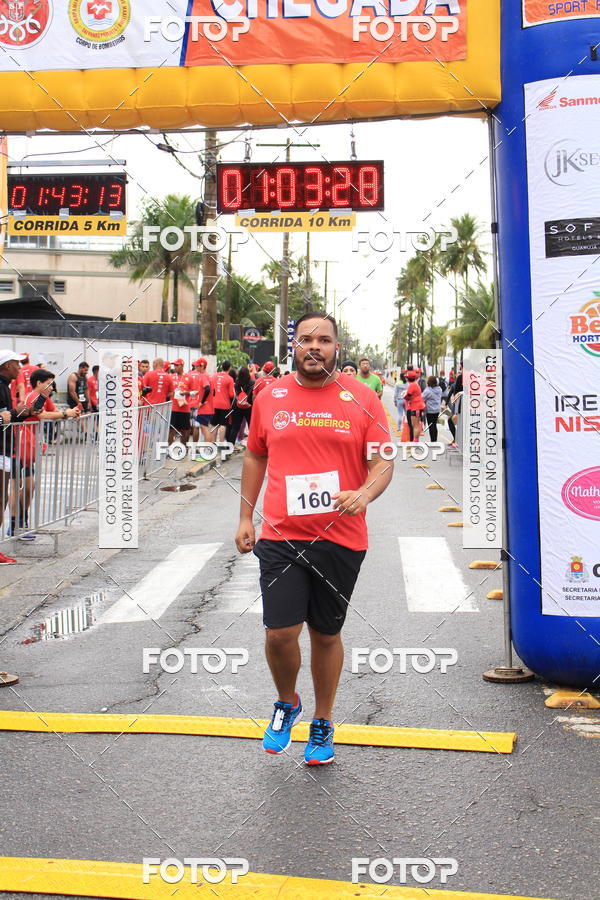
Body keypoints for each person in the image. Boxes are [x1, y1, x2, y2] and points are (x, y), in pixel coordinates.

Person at [235, 311, 393, 766]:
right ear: (294, 346)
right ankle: (287, 701)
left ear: (336, 348)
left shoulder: (362, 398)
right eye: (306, 339)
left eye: (324, 339)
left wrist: (364, 493)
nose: (314, 347)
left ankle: (323, 721)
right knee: (280, 633)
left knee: (326, 634)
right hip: (281, 535)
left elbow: (383, 463)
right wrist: (245, 517)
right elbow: (254, 456)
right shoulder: (271, 395)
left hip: (341, 538)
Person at [15, 369, 80, 540]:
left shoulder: (45, 398)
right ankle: (16, 525)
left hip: (31, 447)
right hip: (21, 446)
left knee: (30, 487)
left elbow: (54, 412)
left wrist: (73, 413)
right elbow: (41, 414)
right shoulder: (32, 397)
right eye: (49, 384)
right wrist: (66, 413)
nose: (52, 388)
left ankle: (23, 522)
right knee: (22, 487)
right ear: (38, 383)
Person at [0, 350, 37, 564]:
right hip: (1, 450)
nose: (20, 368)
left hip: (5, 449)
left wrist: (20, 413)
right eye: (16, 364)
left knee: (2, 499)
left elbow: (7, 416)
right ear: (6, 365)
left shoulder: (5, 387)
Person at [169, 359, 192, 445]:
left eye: (177, 365)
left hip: (184, 408)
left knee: (186, 430)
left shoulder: (188, 377)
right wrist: (172, 393)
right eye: (174, 365)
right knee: (171, 430)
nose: (175, 367)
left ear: (182, 366)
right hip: (173, 408)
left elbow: (195, 392)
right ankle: (169, 449)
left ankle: (184, 448)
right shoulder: (171, 377)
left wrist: (187, 393)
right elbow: (167, 392)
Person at [189, 358, 213, 443]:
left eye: (197, 366)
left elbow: (207, 389)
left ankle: (207, 451)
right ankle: (207, 450)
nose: (195, 367)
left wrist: (201, 402)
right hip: (208, 407)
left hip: (204, 407)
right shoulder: (208, 375)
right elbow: (213, 392)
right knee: (204, 428)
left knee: (204, 428)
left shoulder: (203, 376)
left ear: (202, 366)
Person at [211, 361, 235, 443]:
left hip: (214, 404)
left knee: (214, 424)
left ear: (222, 367)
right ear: (229, 368)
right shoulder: (230, 379)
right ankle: (220, 444)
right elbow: (232, 395)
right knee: (223, 425)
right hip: (224, 405)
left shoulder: (214, 376)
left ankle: (213, 444)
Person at [230, 366, 254, 447]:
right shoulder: (252, 382)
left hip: (238, 407)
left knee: (235, 427)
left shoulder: (237, 383)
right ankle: (252, 446)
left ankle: (230, 447)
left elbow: (235, 395)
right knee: (251, 427)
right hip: (249, 407)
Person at [403, 370, 425, 442]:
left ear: (408, 378)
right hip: (417, 406)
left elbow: (408, 396)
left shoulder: (412, 385)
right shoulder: (414, 384)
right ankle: (415, 441)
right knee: (415, 425)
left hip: (416, 406)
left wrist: (404, 396)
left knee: (415, 425)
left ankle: (415, 442)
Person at [422, 376, 443, 443]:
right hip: (437, 410)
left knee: (431, 425)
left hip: (430, 411)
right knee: (434, 424)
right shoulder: (439, 389)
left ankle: (433, 440)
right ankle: (435, 439)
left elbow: (422, 398)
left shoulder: (428, 391)